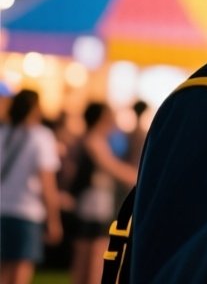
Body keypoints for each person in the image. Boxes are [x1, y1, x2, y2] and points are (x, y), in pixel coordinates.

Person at [66, 103, 138, 284]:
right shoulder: (94, 141)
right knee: (94, 264)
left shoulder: (87, 139)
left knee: (84, 263)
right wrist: (141, 178)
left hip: (87, 207)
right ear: (102, 119)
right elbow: (112, 167)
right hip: (94, 208)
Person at [0, 90, 62, 284]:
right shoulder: (41, 137)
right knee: (21, 271)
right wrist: (53, 219)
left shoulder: (4, 133)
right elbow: (47, 183)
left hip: (3, 209)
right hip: (27, 212)